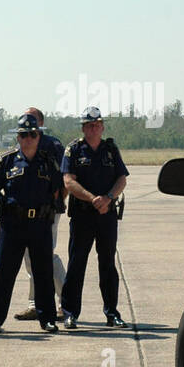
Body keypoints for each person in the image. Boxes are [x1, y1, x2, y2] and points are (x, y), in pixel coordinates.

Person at [0, 114, 63, 334]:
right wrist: (6, 206)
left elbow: (58, 191)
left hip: (40, 225)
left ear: (39, 136)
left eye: (32, 134)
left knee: (43, 273)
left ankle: (47, 319)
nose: (28, 138)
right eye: (23, 135)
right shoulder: (7, 160)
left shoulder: (49, 162)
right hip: (13, 225)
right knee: (4, 273)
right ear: (17, 138)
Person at [61, 107, 130, 329]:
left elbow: (122, 178)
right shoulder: (74, 150)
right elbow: (68, 181)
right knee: (76, 264)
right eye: (90, 125)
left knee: (108, 264)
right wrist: (93, 199)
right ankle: (70, 313)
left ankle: (112, 313)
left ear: (102, 127)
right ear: (83, 128)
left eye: (98, 125)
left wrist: (108, 198)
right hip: (83, 215)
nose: (94, 128)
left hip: (106, 216)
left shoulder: (110, 149)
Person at [16, 107, 67, 321]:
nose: (29, 126)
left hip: (48, 211)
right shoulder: (23, 142)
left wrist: (57, 203)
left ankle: (66, 301)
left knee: (46, 254)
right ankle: (34, 303)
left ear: (42, 124)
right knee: (30, 255)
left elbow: (64, 176)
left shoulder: (53, 145)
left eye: (33, 121)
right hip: (26, 212)